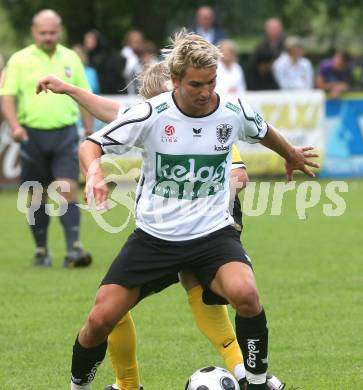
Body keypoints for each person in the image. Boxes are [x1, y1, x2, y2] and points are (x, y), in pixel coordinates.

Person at [42, 32, 318, 390]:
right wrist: (94, 171)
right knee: (100, 319)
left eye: (211, 82)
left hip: (211, 236)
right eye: (196, 85)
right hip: (155, 239)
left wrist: (290, 153)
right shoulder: (151, 114)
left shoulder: (232, 110)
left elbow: (263, 130)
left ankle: (258, 381)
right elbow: (92, 144)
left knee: (246, 294)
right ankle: (80, 386)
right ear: (175, 81)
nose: (206, 92)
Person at [0, 9, 93, 268]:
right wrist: (15, 126)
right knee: (37, 195)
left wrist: (88, 131)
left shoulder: (71, 57)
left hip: (65, 134)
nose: (48, 37)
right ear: (34, 32)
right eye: (43, 33)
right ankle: (41, 250)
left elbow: (83, 94)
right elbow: (6, 96)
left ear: (59, 31)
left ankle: (73, 248)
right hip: (32, 136)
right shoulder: (19, 60)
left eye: (52, 32)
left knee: (67, 190)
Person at [121, 30, 145, 94]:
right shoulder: (123, 57)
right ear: (129, 42)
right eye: (135, 42)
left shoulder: (144, 56)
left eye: (139, 42)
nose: (137, 44)